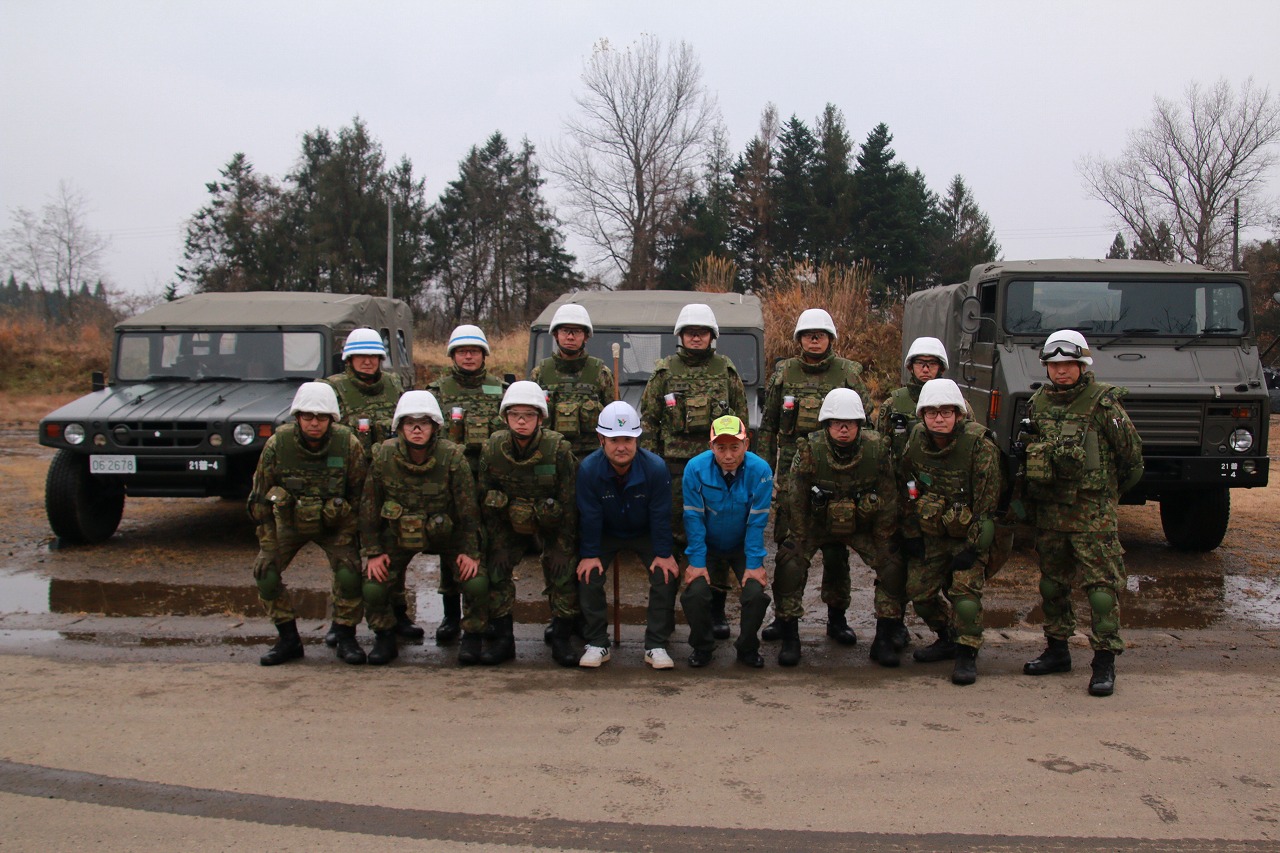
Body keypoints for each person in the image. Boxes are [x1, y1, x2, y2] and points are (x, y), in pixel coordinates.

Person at [1021, 329, 1143, 697]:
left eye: (1068, 365)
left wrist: (1105, 496)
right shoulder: (1038, 404)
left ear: (1081, 364)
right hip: (1052, 512)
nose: (1061, 372)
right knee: (1052, 584)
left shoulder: (1102, 404)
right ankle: (1057, 649)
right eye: (1054, 365)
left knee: (1101, 590)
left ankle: (1104, 661)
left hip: (1093, 515)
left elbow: (1131, 459)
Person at [757, 308, 872, 648]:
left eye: (820, 335)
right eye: (808, 335)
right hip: (794, 473)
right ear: (799, 340)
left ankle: (837, 619)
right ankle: (783, 616)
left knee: (836, 549)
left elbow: (866, 424)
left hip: (839, 473)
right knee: (789, 546)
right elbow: (769, 427)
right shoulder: (784, 373)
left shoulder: (849, 373)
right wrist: (764, 474)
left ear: (831, 339)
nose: (814, 340)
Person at [639, 303, 748, 642]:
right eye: (691, 332)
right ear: (681, 336)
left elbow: (741, 420)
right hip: (673, 472)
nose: (696, 337)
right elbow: (649, 421)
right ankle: (667, 616)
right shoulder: (664, 372)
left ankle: (715, 612)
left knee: (717, 540)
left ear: (712, 336)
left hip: (719, 472)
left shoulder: (726, 371)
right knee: (672, 542)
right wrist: (653, 467)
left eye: (702, 332)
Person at [358, 390, 488, 666]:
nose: (417, 429)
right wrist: (373, 551)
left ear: (435, 427)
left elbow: (468, 510)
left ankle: (472, 634)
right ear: (400, 427)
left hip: (446, 533)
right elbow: (370, 507)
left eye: (424, 423)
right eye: (410, 423)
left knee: (476, 581)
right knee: (374, 585)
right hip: (397, 534)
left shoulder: (452, 456)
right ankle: (385, 633)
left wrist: (471, 551)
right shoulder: (384, 456)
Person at [247, 382, 368, 667]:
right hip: (289, 522)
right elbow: (260, 499)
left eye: (321, 417)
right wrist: (266, 546)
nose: (314, 423)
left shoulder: (348, 444)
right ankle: (288, 638)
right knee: (265, 572)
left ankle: (345, 634)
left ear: (331, 419)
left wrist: (349, 534)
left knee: (350, 574)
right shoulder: (278, 444)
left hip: (335, 524)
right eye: (308, 416)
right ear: (297, 417)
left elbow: (359, 496)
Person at [777, 389, 898, 667]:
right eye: (836, 423)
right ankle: (790, 636)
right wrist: (796, 536)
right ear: (826, 425)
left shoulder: (878, 449)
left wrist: (885, 539)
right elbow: (796, 497)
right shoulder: (809, 449)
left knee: (892, 565)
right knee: (789, 564)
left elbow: (889, 497)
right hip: (816, 522)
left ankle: (882, 638)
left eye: (850, 423)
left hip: (861, 523)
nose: (843, 429)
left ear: (860, 424)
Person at [897, 378, 1002, 686]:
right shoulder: (916, 440)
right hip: (932, 533)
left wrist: (973, 550)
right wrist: (912, 533)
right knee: (919, 592)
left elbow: (987, 506)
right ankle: (948, 637)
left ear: (958, 414)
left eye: (946, 412)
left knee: (964, 595)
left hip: (969, 535)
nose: (939, 418)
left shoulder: (979, 445)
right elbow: (907, 485)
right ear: (922, 416)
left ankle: (967, 651)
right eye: (931, 412)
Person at [322, 327, 421, 646]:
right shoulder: (332, 388)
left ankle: (397, 614)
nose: (368, 362)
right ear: (349, 359)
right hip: (351, 484)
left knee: (393, 551)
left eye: (373, 357)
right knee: (348, 559)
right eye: (360, 357)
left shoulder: (393, 384)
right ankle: (342, 622)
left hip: (387, 482)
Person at [868, 336, 960, 657]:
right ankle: (892, 628)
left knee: (943, 572)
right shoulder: (894, 405)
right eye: (920, 363)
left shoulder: (956, 402)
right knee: (894, 565)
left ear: (940, 368)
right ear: (910, 367)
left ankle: (954, 633)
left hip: (942, 502)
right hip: (901, 499)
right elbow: (881, 451)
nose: (925, 368)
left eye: (931, 363)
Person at [478, 381, 579, 666]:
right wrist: (492, 543)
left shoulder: (558, 449)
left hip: (551, 521)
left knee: (562, 569)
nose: (521, 421)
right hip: (507, 521)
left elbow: (569, 501)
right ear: (505, 417)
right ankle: (503, 638)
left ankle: (561, 636)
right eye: (515, 415)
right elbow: (485, 495)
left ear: (540, 418)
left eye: (529, 415)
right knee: (495, 568)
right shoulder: (493, 448)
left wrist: (565, 545)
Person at [575, 401, 680, 669]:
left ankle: (656, 644)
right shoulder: (588, 470)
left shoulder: (655, 468)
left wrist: (664, 553)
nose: (621, 446)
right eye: (613, 440)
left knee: (665, 573)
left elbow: (661, 516)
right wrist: (589, 554)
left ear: (637, 439)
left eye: (628, 439)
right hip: (606, 532)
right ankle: (597, 642)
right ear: (601, 439)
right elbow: (589, 516)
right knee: (588, 573)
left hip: (643, 530)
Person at [426, 324, 507, 646]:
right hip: (450, 481)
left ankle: (482, 613)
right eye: (462, 351)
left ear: (484, 354)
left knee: (484, 546)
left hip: (487, 481)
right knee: (452, 547)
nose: (469, 356)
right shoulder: (437, 392)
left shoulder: (499, 389)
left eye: (474, 351)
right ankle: (450, 615)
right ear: (453, 356)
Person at [679, 415, 774, 669]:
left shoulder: (761, 471)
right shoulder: (695, 469)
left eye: (735, 446)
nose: (728, 455)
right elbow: (693, 517)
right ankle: (702, 647)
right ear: (711, 447)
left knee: (755, 592)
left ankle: (747, 647)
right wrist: (697, 561)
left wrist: (754, 563)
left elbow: (757, 521)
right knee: (695, 591)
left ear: (746, 443)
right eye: (721, 447)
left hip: (742, 545)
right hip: (707, 545)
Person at [528, 303, 617, 460]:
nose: (570, 337)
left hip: (591, 457)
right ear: (556, 334)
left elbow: (615, 417)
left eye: (576, 331)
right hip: (549, 455)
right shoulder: (540, 374)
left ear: (586, 336)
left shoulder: (601, 373)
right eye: (565, 331)